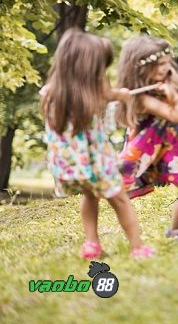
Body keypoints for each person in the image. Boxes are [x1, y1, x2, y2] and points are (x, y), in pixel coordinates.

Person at [41, 29, 153, 259]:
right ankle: (137, 247)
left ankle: (92, 244)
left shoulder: (51, 92)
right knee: (120, 200)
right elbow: (105, 94)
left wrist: (117, 94)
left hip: (70, 166)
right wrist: (121, 95)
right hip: (96, 162)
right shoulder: (92, 94)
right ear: (88, 68)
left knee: (89, 196)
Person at [116, 35, 178, 242]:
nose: (164, 69)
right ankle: (176, 231)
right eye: (158, 66)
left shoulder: (166, 77)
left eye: (166, 63)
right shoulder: (141, 98)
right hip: (161, 150)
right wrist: (174, 96)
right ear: (138, 69)